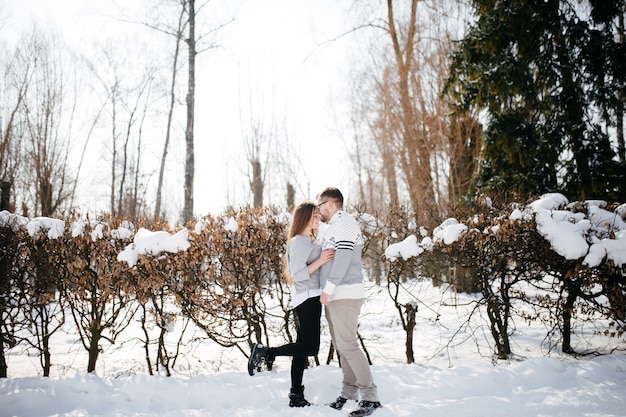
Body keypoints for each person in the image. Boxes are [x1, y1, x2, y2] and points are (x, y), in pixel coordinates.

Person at [247, 201, 335, 408]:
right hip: (306, 297)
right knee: (311, 348)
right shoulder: (297, 242)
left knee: (301, 348)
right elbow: (297, 275)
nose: (318, 218)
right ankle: (265, 352)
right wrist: (321, 261)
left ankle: (296, 395)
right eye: (315, 215)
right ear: (304, 217)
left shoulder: (310, 240)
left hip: (311, 296)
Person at [316, 187, 382, 417]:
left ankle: (370, 397)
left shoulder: (344, 222)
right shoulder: (333, 226)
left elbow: (343, 259)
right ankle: (348, 392)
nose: (318, 210)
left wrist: (329, 288)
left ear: (330, 204)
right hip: (335, 295)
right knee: (342, 346)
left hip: (344, 293)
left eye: (320, 205)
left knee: (348, 345)